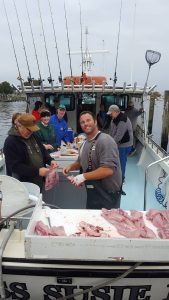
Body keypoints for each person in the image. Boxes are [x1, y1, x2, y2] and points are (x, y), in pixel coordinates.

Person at [63, 111, 122, 209]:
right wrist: (70, 167)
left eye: (88, 120)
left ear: (95, 122)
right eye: (82, 122)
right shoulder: (84, 143)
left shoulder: (105, 141)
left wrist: (82, 177)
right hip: (93, 193)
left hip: (108, 195)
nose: (85, 123)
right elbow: (80, 162)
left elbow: (108, 170)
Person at [3, 113, 58, 191]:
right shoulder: (10, 142)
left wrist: (50, 160)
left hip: (37, 181)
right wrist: (38, 171)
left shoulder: (33, 135)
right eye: (29, 129)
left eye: (32, 130)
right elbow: (15, 167)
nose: (31, 132)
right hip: (22, 186)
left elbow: (42, 150)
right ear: (20, 126)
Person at [107, 105, 133, 183]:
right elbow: (111, 132)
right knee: (117, 160)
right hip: (118, 144)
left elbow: (118, 136)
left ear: (115, 112)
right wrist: (108, 140)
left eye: (111, 113)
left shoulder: (122, 121)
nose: (110, 115)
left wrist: (110, 144)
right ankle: (116, 175)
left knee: (122, 161)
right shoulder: (114, 119)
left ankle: (121, 179)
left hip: (125, 145)